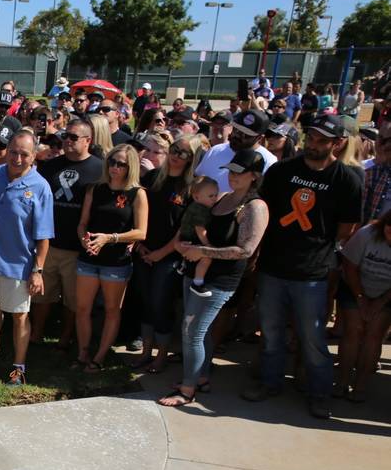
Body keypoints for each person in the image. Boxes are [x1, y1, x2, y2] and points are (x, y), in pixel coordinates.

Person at [243, 115, 363, 419]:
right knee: (270, 331)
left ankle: (319, 394)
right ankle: (270, 384)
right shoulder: (282, 171)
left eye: (322, 140)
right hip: (273, 266)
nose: (314, 145)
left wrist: (320, 253)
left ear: (338, 143)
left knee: (312, 337)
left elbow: (347, 228)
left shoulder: (346, 179)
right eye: (311, 138)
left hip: (313, 273)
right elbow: (264, 212)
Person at [159, 149, 269, 408]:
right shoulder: (224, 198)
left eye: (239, 172)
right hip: (197, 272)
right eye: (230, 170)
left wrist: (202, 251)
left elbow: (246, 250)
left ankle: (187, 389)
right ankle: (201, 377)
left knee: (193, 332)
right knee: (199, 331)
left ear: (254, 176)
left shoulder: (255, 207)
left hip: (220, 280)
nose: (232, 176)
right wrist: (186, 245)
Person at [0, 130, 54, 385]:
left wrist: (38, 270)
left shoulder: (40, 188)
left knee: (19, 315)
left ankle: (18, 368)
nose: (17, 158)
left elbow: (43, 236)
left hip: (18, 264)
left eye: (24, 154)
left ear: (34, 157)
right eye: (13, 152)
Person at [133, 135, 204, 372]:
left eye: (183, 153)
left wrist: (161, 253)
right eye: (174, 149)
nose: (176, 156)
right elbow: (139, 214)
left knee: (160, 304)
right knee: (145, 302)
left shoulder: (192, 186)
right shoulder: (153, 178)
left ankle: (161, 355)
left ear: (192, 158)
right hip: (144, 250)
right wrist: (141, 246)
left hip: (170, 256)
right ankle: (145, 352)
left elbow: (185, 228)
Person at [74, 144, 148, 372]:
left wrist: (110, 238)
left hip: (116, 263)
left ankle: (100, 356)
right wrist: (84, 239)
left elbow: (141, 232)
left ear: (131, 166)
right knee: (82, 308)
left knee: (111, 310)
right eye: (112, 162)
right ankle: (83, 352)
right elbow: (83, 223)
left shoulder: (138, 193)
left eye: (121, 164)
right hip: (89, 258)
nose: (115, 167)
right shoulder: (95, 189)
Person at [33, 119, 102, 350]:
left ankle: (65, 338)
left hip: (77, 248)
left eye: (74, 137)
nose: (68, 141)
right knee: (43, 295)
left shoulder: (99, 170)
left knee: (73, 300)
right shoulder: (51, 166)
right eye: (66, 136)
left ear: (88, 141)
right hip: (49, 244)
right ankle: (36, 334)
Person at [335, 210, 391, 402]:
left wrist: (380, 303)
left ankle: (360, 386)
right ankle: (341, 382)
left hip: (386, 293)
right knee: (353, 330)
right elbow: (349, 266)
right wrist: (360, 298)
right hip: (355, 285)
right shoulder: (367, 233)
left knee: (374, 335)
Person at [195, 110, 277, 193]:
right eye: (236, 130)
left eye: (246, 134)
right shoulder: (216, 150)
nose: (237, 136)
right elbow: (198, 180)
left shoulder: (269, 162)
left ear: (259, 138)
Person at [176, 176, 221, 297]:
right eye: (210, 196)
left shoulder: (195, 206)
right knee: (207, 257)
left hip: (186, 238)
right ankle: (198, 282)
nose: (214, 199)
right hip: (191, 238)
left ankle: (183, 266)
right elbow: (199, 228)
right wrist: (207, 245)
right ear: (196, 197)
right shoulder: (201, 209)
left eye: (216, 195)